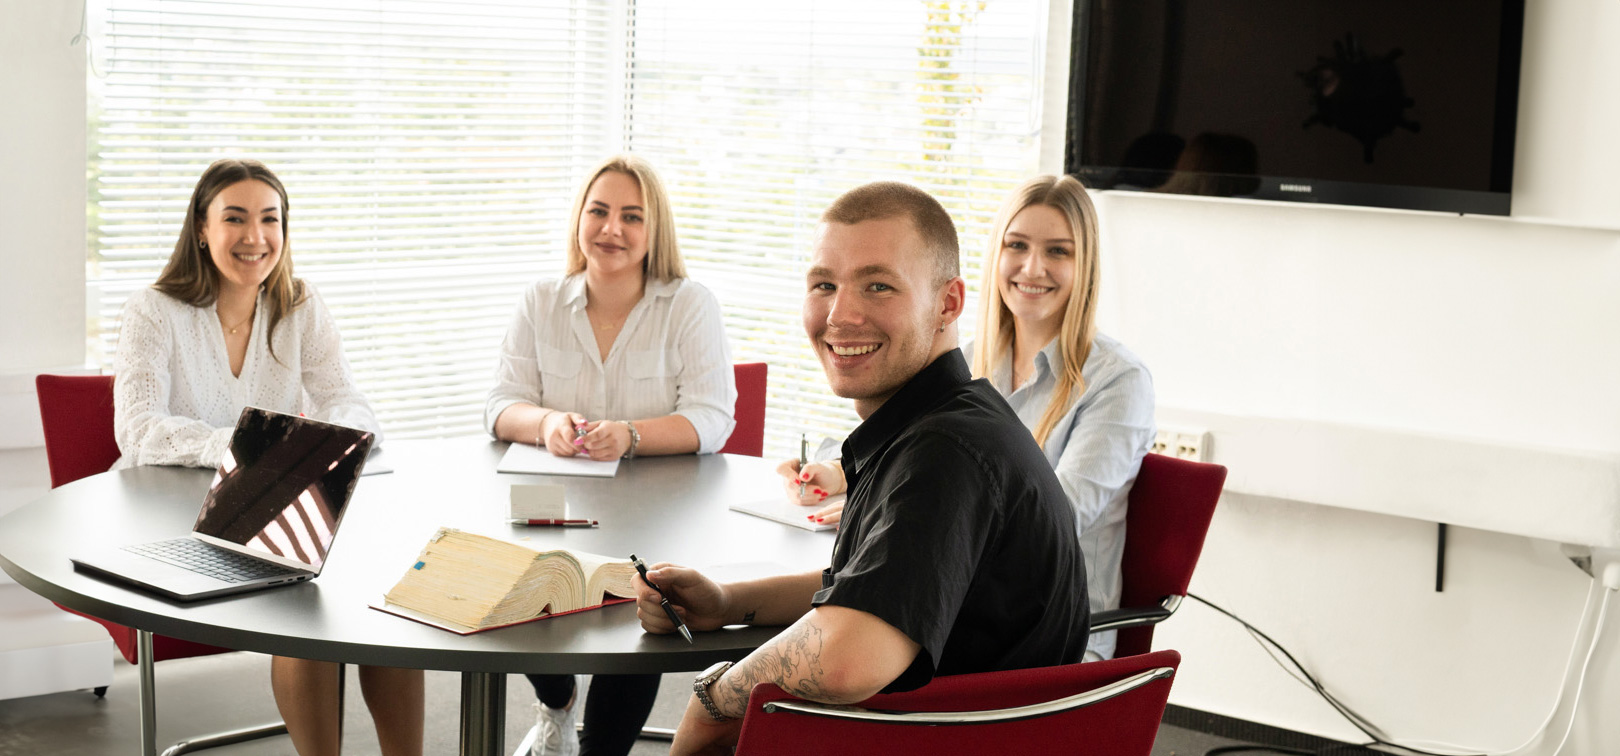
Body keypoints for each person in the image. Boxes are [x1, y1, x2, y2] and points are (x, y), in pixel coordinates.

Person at [634, 182, 1089, 756]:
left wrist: (712, 700)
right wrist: (727, 602)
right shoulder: (941, 422)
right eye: (824, 284)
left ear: (948, 304)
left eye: (877, 286)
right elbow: (876, 590)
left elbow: (849, 659)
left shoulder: (948, 451)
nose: (840, 314)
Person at [111, 158, 422, 756]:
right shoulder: (153, 311)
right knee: (306, 616)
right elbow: (140, 430)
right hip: (170, 521)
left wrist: (322, 442)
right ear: (202, 229)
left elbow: (350, 403)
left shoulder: (300, 305)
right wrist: (255, 445)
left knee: (384, 604)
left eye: (270, 219)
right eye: (235, 218)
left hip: (274, 509)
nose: (256, 237)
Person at [784, 175, 1155, 661]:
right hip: (950, 601)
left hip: (1043, 644)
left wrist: (914, 498)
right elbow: (903, 440)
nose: (1032, 266)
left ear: (1086, 265)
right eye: (1016, 245)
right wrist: (839, 471)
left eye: (1059, 251)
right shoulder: (971, 359)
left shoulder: (1118, 380)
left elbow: (1057, 509)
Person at [485, 154, 736, 756]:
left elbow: (713, 418)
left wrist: (631, 435)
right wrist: (545, 423)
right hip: (553, 505)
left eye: (631, 216)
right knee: (512, 588)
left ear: (655, 231)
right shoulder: (541, 299)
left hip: (658, 512)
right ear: (579, 220)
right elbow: (499, 405)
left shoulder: (688, 304)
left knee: (642, 618)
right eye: (598, 211)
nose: (611, 229)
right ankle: (556, 702)